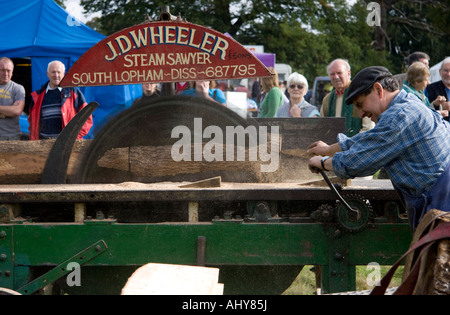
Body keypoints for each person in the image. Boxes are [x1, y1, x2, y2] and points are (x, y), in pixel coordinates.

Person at [307, 66, 450, 230]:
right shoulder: (407, 104)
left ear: (378, 90)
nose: (361, 113)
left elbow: (358, 162)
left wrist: (323, 162)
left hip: (442, 205)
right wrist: (328, 149)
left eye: (361, 104)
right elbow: (372, 139)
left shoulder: (399, 116)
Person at [29, 60, 93, 140]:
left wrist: (75, 136)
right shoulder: (38, 96)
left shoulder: (73, 92)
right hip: (43, 145)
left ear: (63, 74)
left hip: (67, 145)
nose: (56, 75)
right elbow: (32, 121)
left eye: (59, 72)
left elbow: (87, 116)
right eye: (53, 72)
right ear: (47, 74)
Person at [321, 59, 374, 136]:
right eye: (332, 74)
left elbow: (368, 129)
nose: (336, 77)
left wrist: (348, 145)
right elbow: (323, 127)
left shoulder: (361, 95)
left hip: (357, 146)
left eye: (339, 73)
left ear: (348, 73)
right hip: (331, 146)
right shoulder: (327, 100)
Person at [0, 57, 26, 140]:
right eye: (2, 70)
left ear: (12, 72)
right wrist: (8, 111)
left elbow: (17, 110)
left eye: (8, 71)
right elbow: (12, 111)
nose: (6, 73)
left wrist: (12, 110)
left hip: (11, 137)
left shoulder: (18, 88)